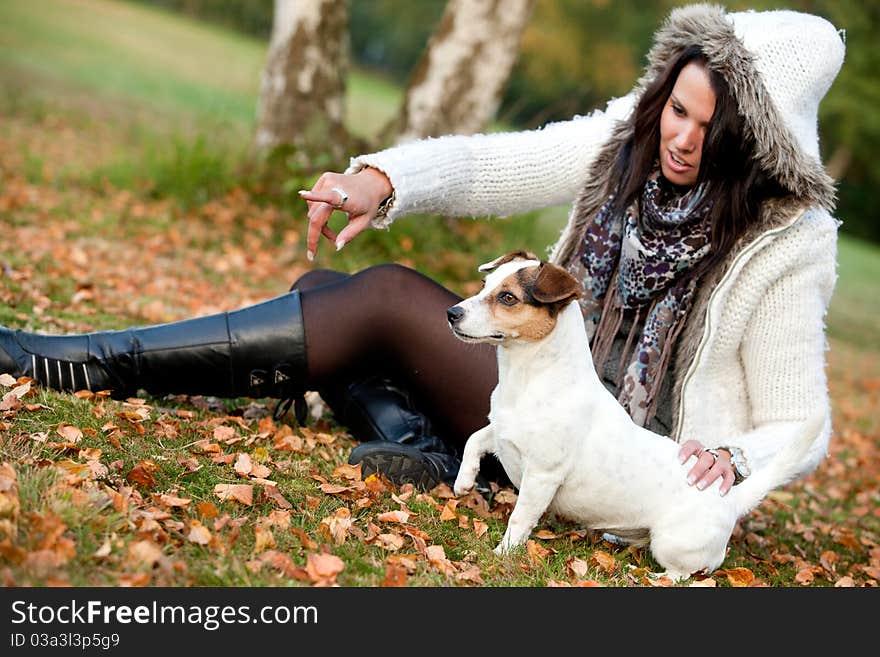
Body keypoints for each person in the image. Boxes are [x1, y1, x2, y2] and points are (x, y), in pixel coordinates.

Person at [0, 5, 845, 499]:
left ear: (758, 143)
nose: (682, 137)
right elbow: (495, 160)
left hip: (621, 453)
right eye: (679, 109)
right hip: (548, 391)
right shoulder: (627, 146)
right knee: (323, 287)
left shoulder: (786, 242)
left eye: (711, 127)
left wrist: (734, 458)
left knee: (379, 299)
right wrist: (382, 179)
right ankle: (438, 454)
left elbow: (799, 420)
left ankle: (97, 362)